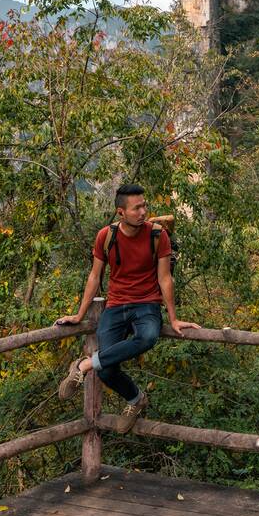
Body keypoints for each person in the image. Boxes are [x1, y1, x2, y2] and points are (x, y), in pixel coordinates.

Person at [55, 184, 200, 430]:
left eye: (144, 205)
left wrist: (173, 319)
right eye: (136, 208)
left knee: (147, 337)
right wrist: (80, 314)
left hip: (146, 305)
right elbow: (94, 276)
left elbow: (165, 278)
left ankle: (84, 365)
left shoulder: (157, 235)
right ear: (121, 212)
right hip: (116, 305)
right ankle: (136, 398)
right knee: (107, 369)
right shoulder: (106, 236)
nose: (143, 212)